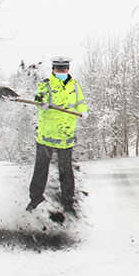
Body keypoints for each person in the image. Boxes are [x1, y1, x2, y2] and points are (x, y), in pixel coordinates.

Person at [26, 56, 88, 213]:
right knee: (41, 168)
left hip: (65, 136)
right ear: (53, 69)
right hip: (47, 135)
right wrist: (42, 101)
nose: (61, 71)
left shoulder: (74, 86)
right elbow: (40, 96)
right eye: (58, 69)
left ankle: (68, 202)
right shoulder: (45, 84)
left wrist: (83, 111)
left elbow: (80, 101)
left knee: (66, 170)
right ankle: (35, 198)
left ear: (68, 69)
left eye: (64, 69)